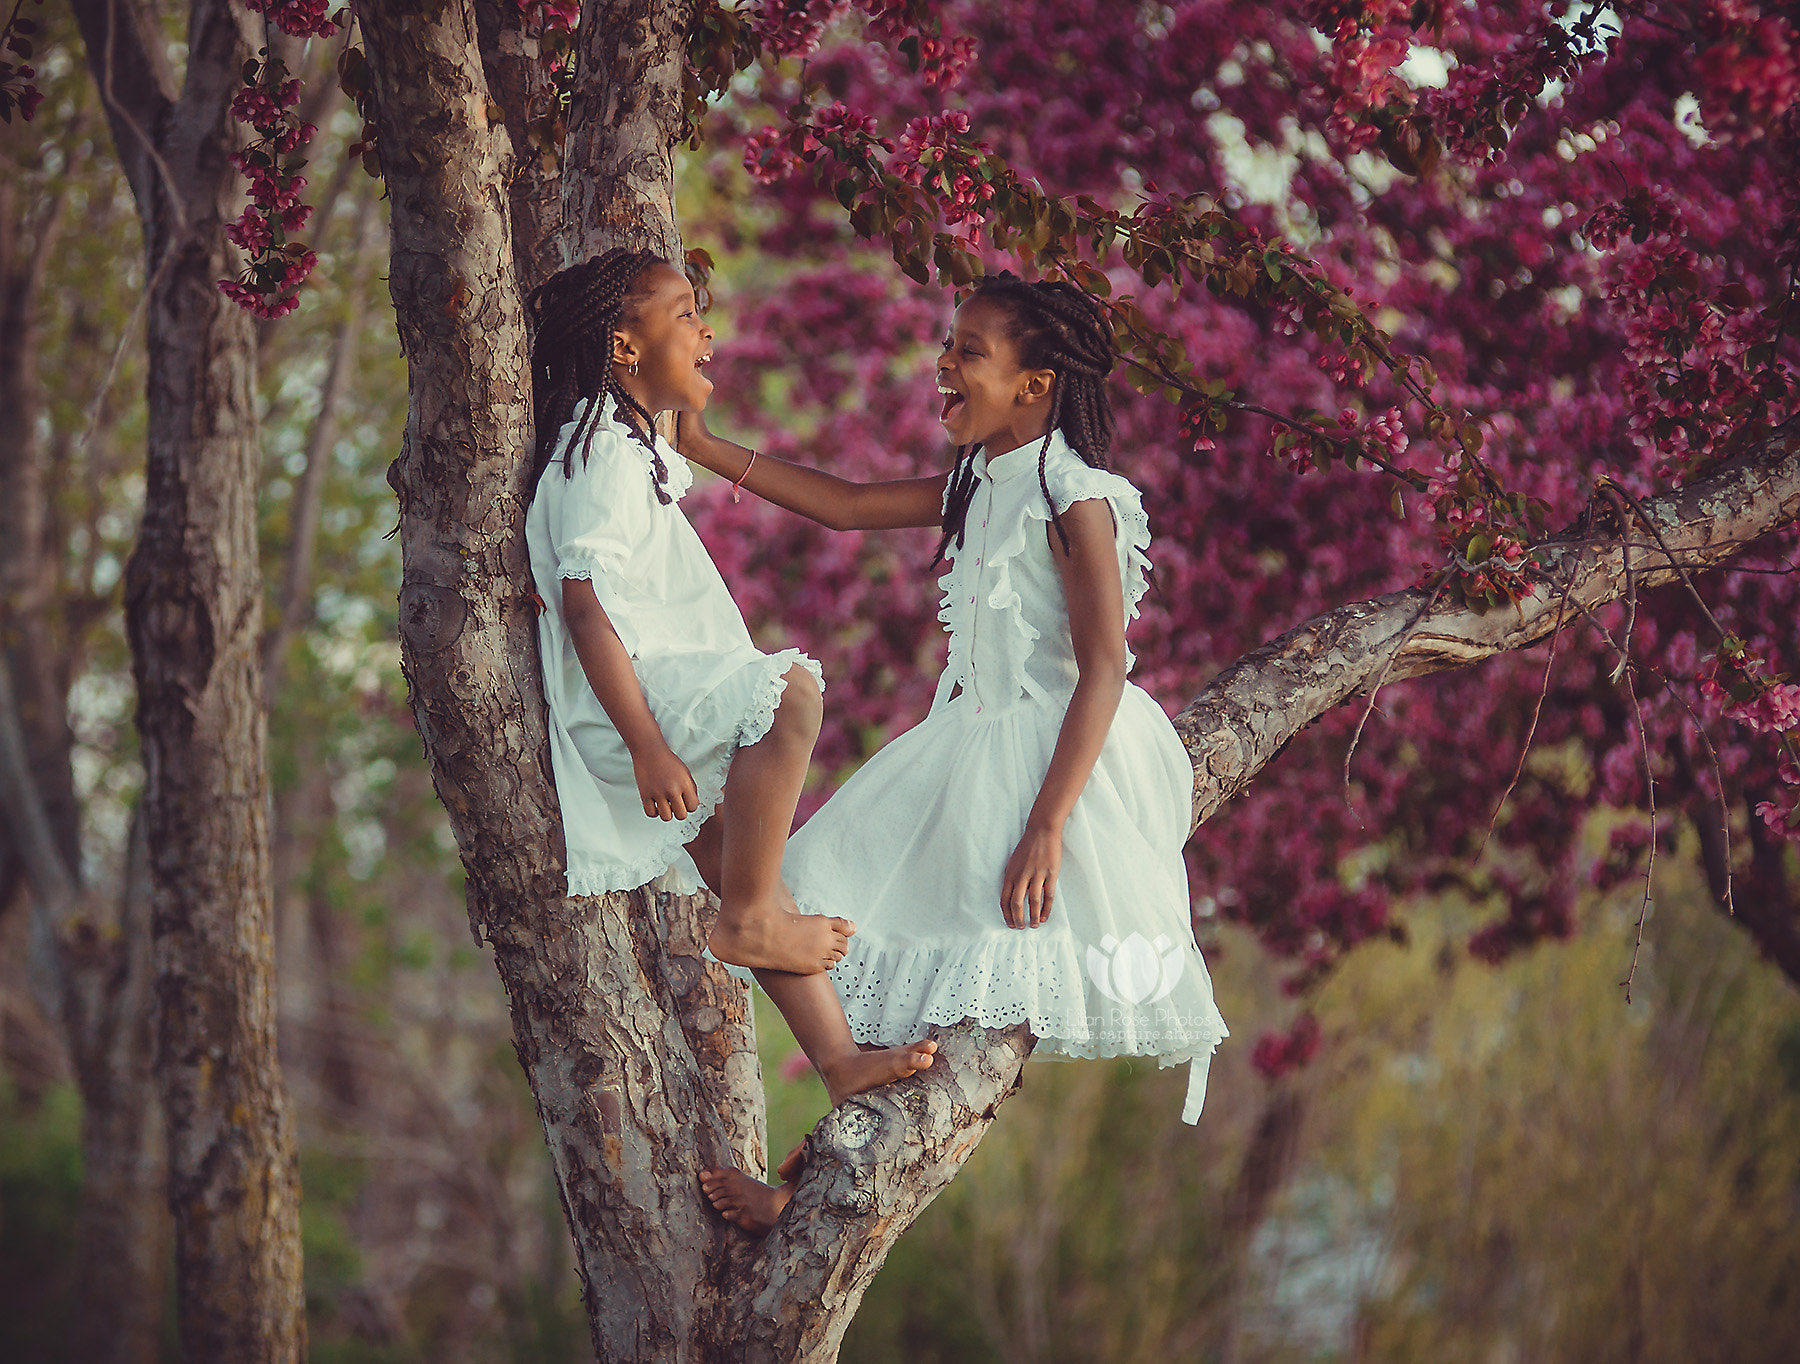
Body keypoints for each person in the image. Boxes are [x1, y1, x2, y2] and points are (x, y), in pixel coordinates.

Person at [688, 272, 1228, 1234]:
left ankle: (812, 1183)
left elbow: (1104, 666)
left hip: (1056, 762)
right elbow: (847, 505)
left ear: (1036, 383)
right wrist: (701, 447)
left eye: (969, 351)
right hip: (964, 745)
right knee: (785, 900)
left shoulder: (1076, 495)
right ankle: (840, 1089)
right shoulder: (981, 479)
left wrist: (1048, 826)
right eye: (948, 344)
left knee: (951, 992)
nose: (943, 363)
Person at [524, 248, 936, 1104]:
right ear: (623, 346)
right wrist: (645, 746)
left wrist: (700, 441)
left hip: (653, 697)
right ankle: (747, 921)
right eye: (683, 315)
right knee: (791, 695)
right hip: (634, 704)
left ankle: (837, 1060)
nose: (707, 331)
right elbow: (584, 606)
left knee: (751, 867)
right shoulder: (597, 450)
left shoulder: (629, 444)